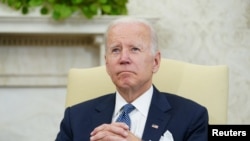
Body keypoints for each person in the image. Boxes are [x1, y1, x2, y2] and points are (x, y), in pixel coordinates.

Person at [55, 17, 208, 141]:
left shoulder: (191, 116)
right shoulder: (75, 117)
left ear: (155, 62)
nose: (124, 58)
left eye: (135, 49)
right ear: (107, 64)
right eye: (116, 50)